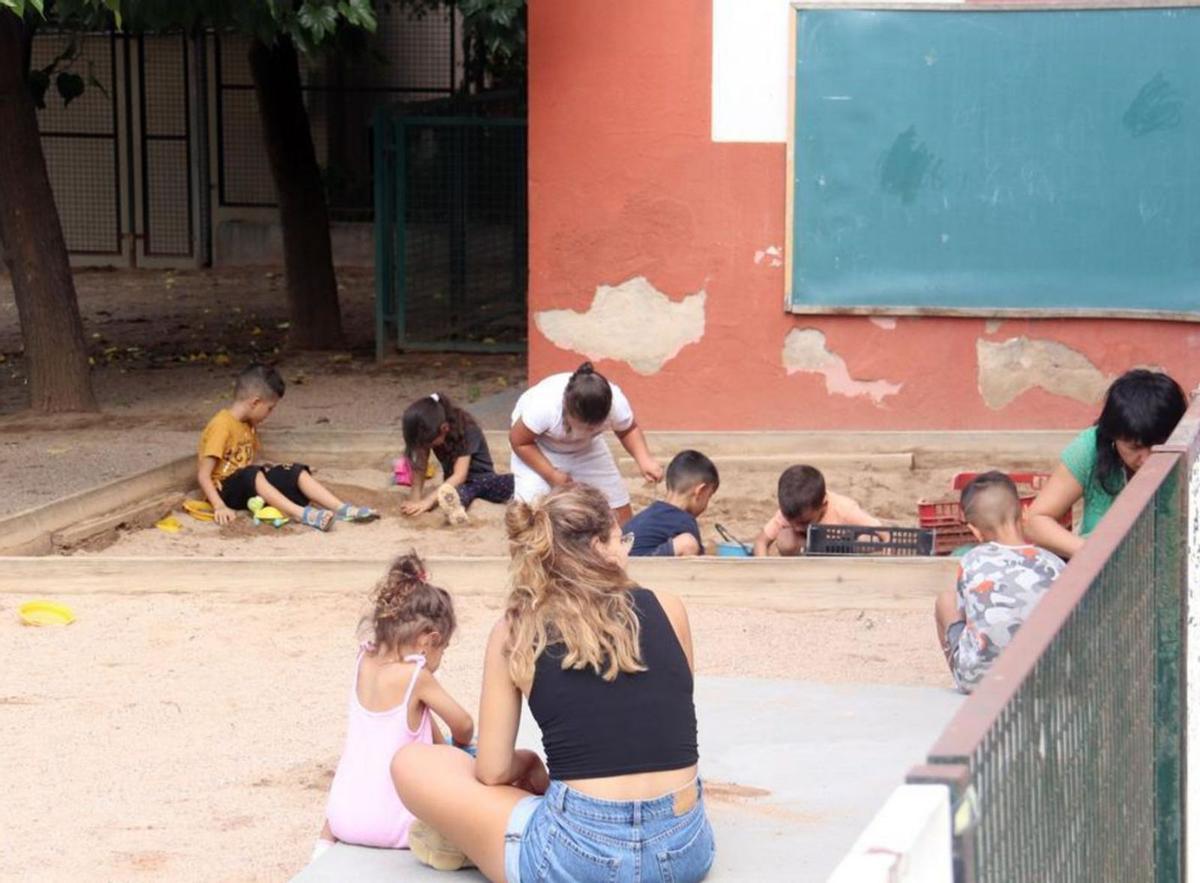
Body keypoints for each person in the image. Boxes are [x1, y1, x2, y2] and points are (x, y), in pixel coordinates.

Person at [390, 485, 715, 883]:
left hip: (578, 856)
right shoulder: (669, 607)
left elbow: (491, 771)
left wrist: (525, 764)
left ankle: (475, 840)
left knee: (412, 762)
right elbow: (665, 719)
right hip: (683, 848)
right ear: (598, 547)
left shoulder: (517, 629)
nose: (626, 550)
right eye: (622, 539)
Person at [313, 554, 474, 862]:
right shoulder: (416, 677)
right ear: (429, 640)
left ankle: (319, 855)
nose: (441, 657)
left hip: (343, 817)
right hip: (397, 826)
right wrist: (463, 746)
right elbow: (464, 724)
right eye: (444, 649)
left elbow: (411, 730)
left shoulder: (364, 662)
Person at [1026, 369, 1187, 559]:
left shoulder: (1191, 454)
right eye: (1134, 448)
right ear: (1113, 437)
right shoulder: (1091, 447)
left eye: (1158, 446)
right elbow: (1035, 521)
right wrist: (1093, 554)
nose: (1146, 460)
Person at [196, 363, 375, 531]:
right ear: (255, 402)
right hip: (225, 492)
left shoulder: (248, 425)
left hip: (249, 484)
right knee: (251, 473)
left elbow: (248, 463)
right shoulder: (221, 425)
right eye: (270, 408)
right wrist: (219, 506)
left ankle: (341, 508)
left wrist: (280, 471)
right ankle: (302, 515)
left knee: (292, 470)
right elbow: (203, 475)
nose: (270, 414)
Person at [934, 472, 1065, 693]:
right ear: (1024, 513)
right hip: (1048, 679)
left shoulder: (971, 561)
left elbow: (969, 614)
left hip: (979, 682)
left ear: (975, 531)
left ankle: (962, 677)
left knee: (946, 601)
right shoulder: (1054, 563)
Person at [509, 362, 663, 524]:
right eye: (584, 426)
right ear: (566, 408)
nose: (590, 429)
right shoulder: (544, 407)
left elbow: (627, 429)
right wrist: (551, 474)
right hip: (537, 447)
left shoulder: (616, 403)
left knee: (617, 507)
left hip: (587, 448)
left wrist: (644, 459)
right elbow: (519, 441)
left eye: (595, 427)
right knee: (531, 516)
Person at [400, 392, 514, 526]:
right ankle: (455, 511)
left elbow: (460, 475)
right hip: (454, 486)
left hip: (481, 480)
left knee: (511, 483)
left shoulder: (468, 430)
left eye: (428, 445)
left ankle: (454, 507)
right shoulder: (430, 430)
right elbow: (420, 464)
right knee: (455, 494)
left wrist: (429, 501)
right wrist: (415, 497)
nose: (426, 448)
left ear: (444, 428)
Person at [752, 464, 879, 556]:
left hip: (844, 550)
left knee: (867, 540)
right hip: (811, 549)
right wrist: (764, 567)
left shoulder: (843, 508)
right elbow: (761, 541)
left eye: (804, 522)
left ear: (823, 505)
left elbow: (879, 529)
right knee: (786, 540)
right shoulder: (790, 512)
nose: (797, 528)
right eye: (791, 522)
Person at [624, 450, 720, 556]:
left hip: (621, 565)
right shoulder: (684, 522)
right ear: (700, 491)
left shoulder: (646, 516)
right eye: (709, 496)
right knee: (688, 543)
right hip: (641, 569)